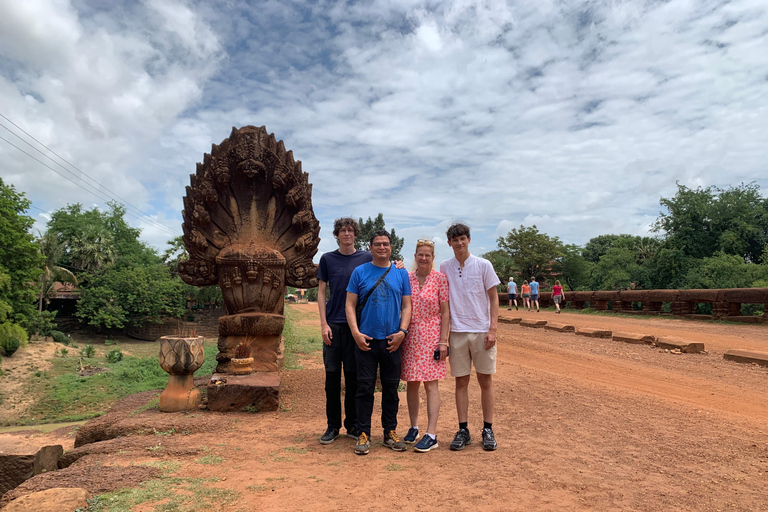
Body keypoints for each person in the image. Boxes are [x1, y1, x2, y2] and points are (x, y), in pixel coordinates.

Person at [346, 229, 412, 455]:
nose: (382, 247)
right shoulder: (359, 272)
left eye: (385, 244)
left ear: (391, 247)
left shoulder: (400, 273)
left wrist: (402, 331)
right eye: (377, 244)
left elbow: (407, 305)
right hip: (366, 340)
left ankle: (390, 432)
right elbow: (350, 305)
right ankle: (363, 433)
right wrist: (355, 332)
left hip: (392, 340)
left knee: (391, 389)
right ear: (370, 247)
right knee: (364, 388)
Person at [439, 223, 500, 451]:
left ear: (469, 239)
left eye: (463, 238)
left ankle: (488, 428)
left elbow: (493, 298)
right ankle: (463, 429)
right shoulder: (445, 267)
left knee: (485, 381)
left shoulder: (484, 265)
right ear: (449, 243)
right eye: (455, 240)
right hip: (457, 332)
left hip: (482, 330)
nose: (459, 243)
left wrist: (492, 328)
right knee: (461, 382)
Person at [317, 218, 372, 444]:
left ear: (355, 234)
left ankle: (352, 424)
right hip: (334, 325)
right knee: (332, 378)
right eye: (343, 230)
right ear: (337, 234)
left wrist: (398, 264)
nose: (347, 233)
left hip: (355, 327)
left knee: (353, 378)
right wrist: (323, 324)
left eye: (350, 230)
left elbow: (384, 268)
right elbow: (321, 292)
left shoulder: (366, 258)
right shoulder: (327, 259)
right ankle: (332, 426)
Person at [400, 239, 450, 453]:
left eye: (427, 255)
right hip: (410, 336)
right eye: (420, 254)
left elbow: (445, 312)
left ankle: (431, 433)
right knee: (412, 382)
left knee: (431, 384)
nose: (423, 258)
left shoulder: (440, 279)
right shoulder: (407, 278)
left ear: (433, 257)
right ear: (415, 256)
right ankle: (414, 426)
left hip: (432, 336)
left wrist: (443, 340)